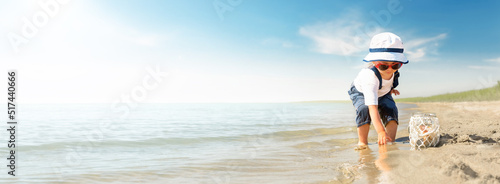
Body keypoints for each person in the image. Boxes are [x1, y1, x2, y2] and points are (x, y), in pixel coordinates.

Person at [348, 32, 409, 148]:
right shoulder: (370, 77)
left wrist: (390, 89)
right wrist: (380, 131)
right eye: (384, 66)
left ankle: (389, 140)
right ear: (374, 63)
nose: (390, 69)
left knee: (391, 108)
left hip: (383, 92)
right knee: (364, 109)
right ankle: (362, 142)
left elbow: (388, 81)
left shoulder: (392, 72)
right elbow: (373, 109)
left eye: (395, 65)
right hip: (361, 91)